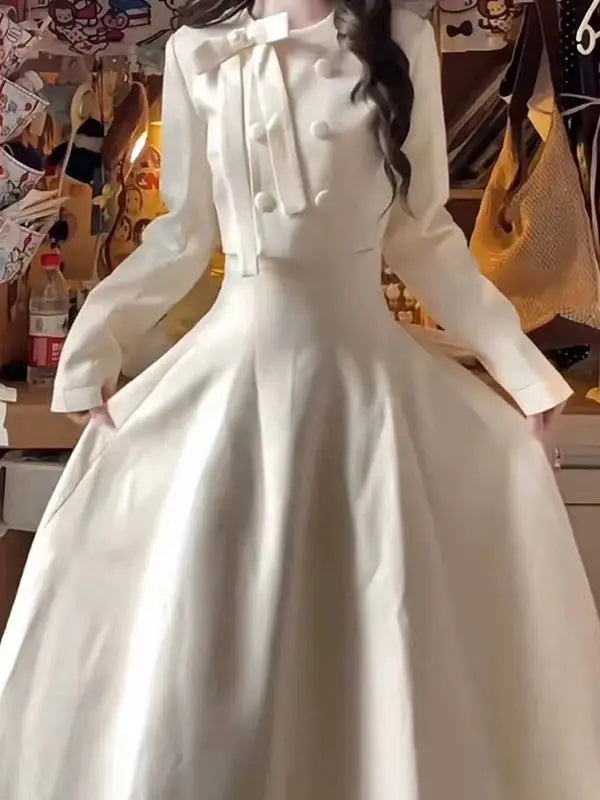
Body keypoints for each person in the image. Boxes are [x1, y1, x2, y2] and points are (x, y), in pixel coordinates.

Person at [1, 0, 600, 797]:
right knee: (216, 627)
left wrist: (520, 366)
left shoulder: (403, 43)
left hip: (365, 391)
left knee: (368, 623)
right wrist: (92, 348)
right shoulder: (201, 52)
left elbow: (422, 235)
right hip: (231, 384)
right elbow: (182, 234)